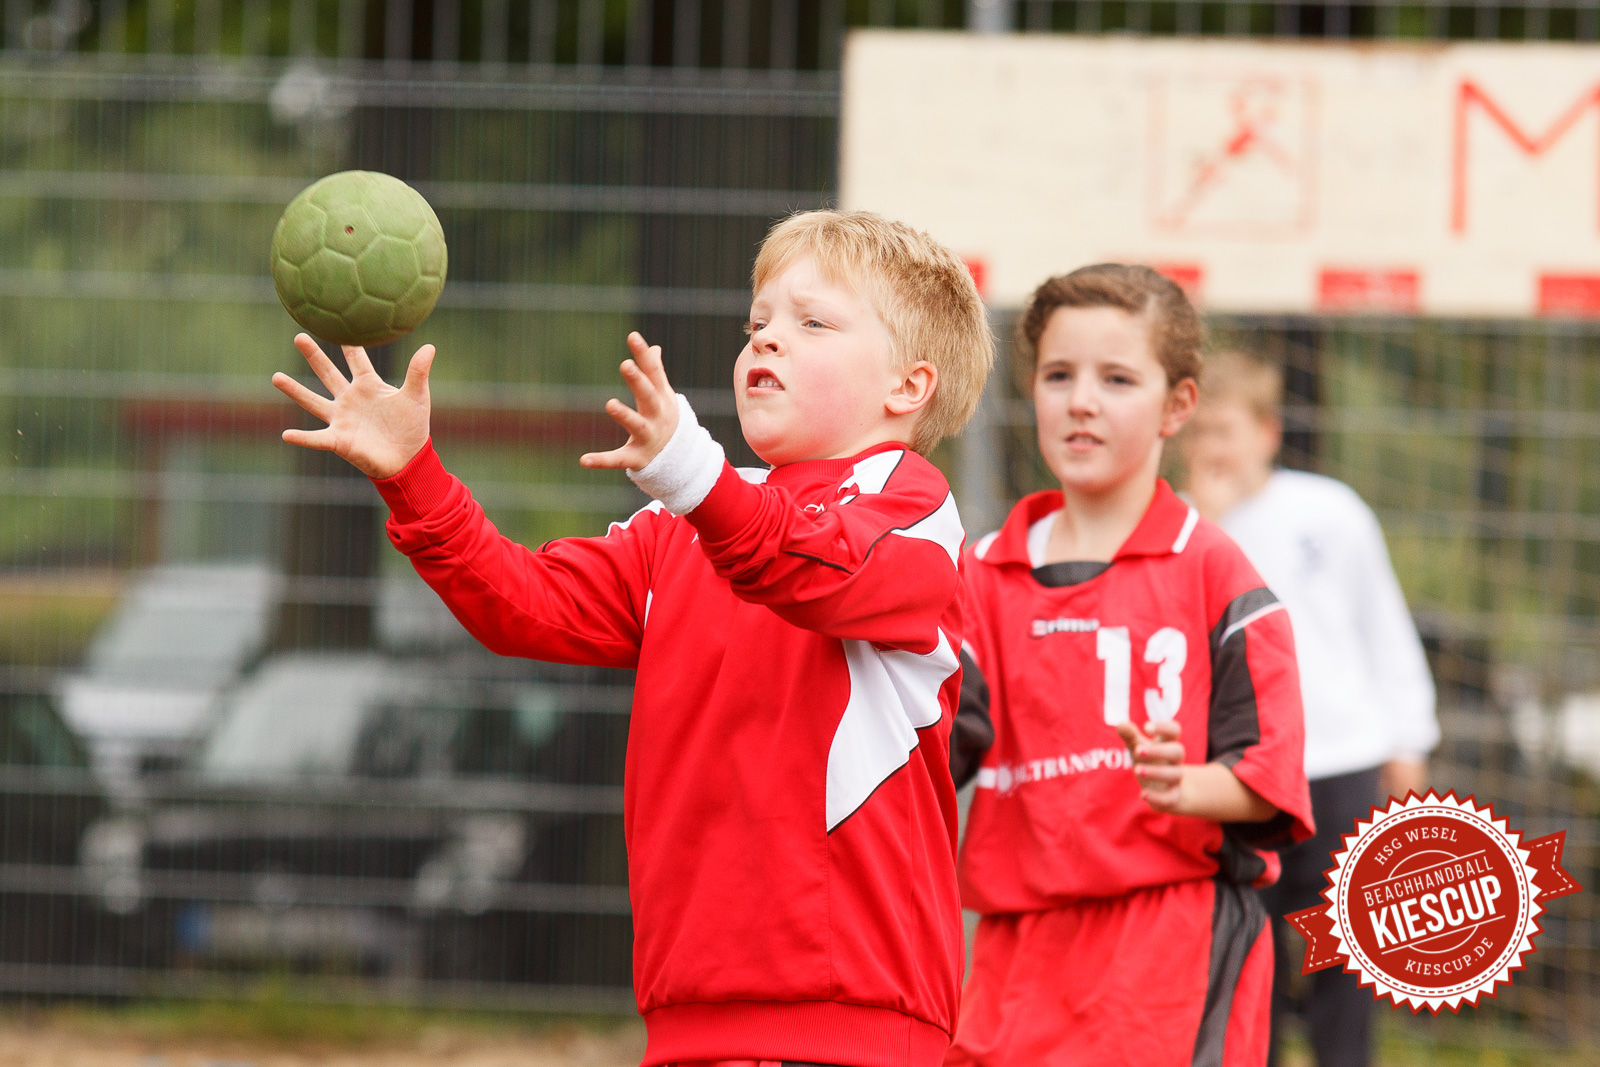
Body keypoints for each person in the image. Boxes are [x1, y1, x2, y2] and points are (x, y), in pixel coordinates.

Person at [270, 210, 996, 1067]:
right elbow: (523, 604)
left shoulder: (912, 509)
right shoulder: (678, 526)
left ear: (908, 388)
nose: (767, 342)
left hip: (856, 1022)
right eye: (757, 323)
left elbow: (805, 568)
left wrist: (698, 475)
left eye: (812, 323)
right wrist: (413, 475)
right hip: (687, 1013)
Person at [946, 265, 1314, 1067]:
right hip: (1018, 950)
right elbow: (930, 756)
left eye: (1116, 378)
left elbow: (1270, 770)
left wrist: (1186, 785)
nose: (1082, 400)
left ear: (1178, 405)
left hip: (1167, 947)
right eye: (1058, 375)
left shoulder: (1216, 573)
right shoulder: (978, 575)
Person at [1183, 350, 1439, 1067]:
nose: (1211, 447)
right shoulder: (1179, 528)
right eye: (1198, 431)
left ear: (1267, 431)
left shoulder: (1331, 511)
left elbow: (1382, 625)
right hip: (1238, 772)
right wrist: (1205, 518)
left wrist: (1408, 737)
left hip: (1341, 762)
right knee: (1246, 952)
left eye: (1225, 428)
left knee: (1344, 955)